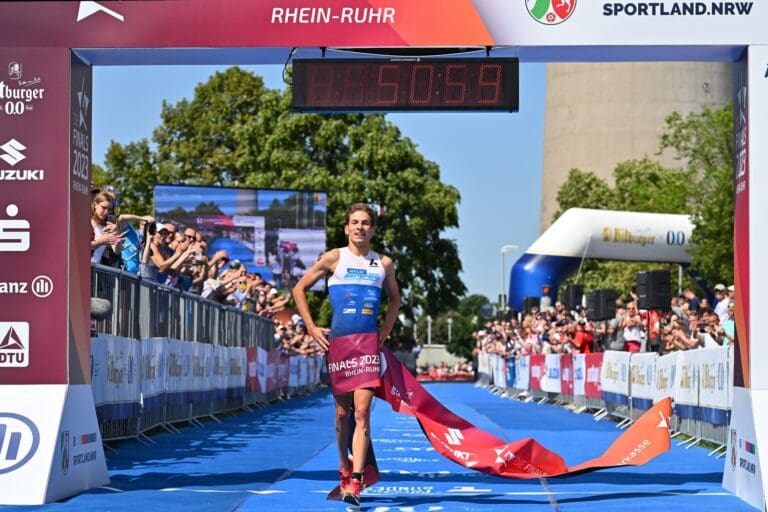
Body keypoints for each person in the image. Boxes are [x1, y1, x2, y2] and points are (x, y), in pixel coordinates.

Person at [292, 203, 400, 506]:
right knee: (342, 413)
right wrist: (311, 327)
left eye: (366, 223)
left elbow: (395, 299)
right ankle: (343, 468)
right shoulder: (333, 258)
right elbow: (299, 289)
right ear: (346, 228)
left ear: (374, 229)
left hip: (367, 345)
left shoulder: (384, 263)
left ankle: (356, 480)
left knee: (363, 412)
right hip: (339, 344)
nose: (360, 227)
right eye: (354, 222)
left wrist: (385, 331)